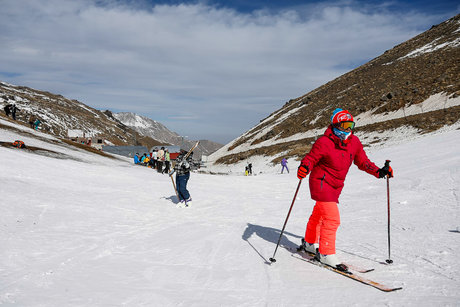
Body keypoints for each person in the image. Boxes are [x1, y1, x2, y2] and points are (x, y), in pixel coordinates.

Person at [296, 108, 394, 271]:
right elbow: (311, 158)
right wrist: (305, 166)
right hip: (320, 183)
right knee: (332, 218)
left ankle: (309, 243)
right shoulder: (324, 142)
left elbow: (363, 161)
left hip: (336, 186)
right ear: (335, 125)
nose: (348, 129)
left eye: (351, 125)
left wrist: (378, 172)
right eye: (345, 125)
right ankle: (326, 253)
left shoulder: (354, 142)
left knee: (319, 215)